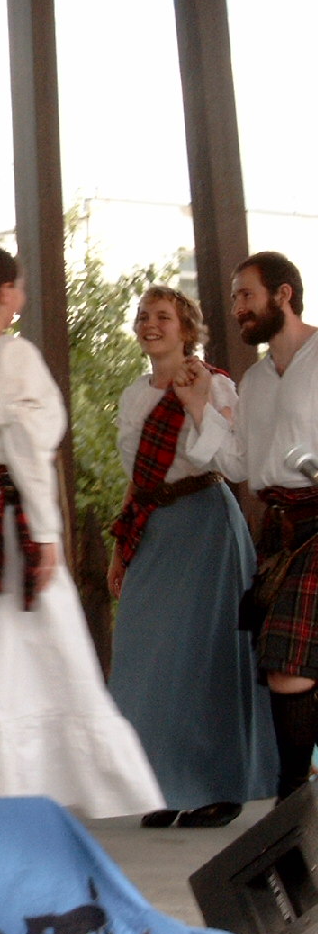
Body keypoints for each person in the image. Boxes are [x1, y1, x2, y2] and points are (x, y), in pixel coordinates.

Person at [0, 242, 163, 818]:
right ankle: (75, 789)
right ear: (4, 292)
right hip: (10, 519)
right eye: (18, 285)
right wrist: (44, 533)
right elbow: (27, 448)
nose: (21, 294)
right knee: (50, 649)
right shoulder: (13, 356)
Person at [106, 286, 275, 828]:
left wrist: (195, 403)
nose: (149, 324)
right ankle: (164, 785)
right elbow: (138, 480)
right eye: (143, 316)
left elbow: (233, 460)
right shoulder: (134, 394)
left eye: (163, 316)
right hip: (154, 527)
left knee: (206, 656)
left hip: (205, 522)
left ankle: (218, 787)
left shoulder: (214, 382)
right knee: (143, 655)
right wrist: (120, 551)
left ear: (186, 329)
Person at [176, 251, 318, 800]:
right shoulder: (255, 381)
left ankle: (291, 799)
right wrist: (198, 407)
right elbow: (238, 464)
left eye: (246, 295)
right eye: (235, 297)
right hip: (280, 531)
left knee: (289, 663)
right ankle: (295, 802)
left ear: (283, 295)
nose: (238, 307)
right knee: (286, 664)